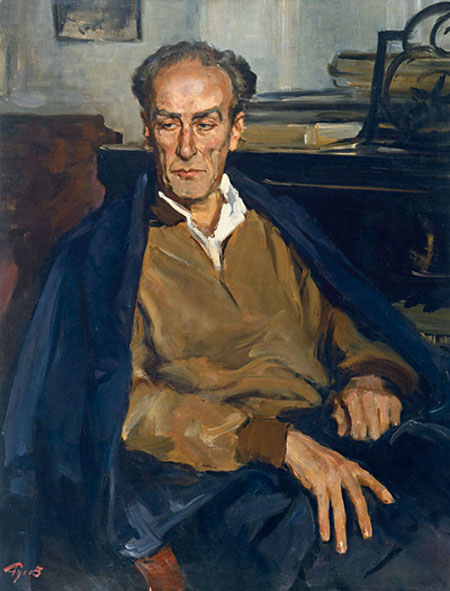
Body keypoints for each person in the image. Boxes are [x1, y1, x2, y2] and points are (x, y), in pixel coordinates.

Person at [2, 41, 450, 591]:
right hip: (211, 481)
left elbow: (340, 323)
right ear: (147, 129)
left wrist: (371, 375)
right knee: (374, 555)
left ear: (236, 130)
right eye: (169, 124)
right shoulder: (104, 253)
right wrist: (276, 444)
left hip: (327, 438)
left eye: (205, 123)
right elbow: (127, 407)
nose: (187, 147)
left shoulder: (277, 223)